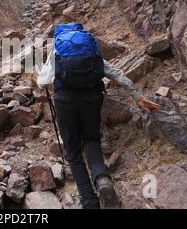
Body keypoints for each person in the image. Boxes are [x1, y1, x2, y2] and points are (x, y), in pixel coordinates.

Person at [38, 25, 161, 209]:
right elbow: (115, 73)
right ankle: (102, 180)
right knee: (91, 140)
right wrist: (138, 97)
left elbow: (42, 82)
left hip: (65, 101)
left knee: (73, 151)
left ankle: (89, 200)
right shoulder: (89, 51)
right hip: (91, 98)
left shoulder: (57, 50)